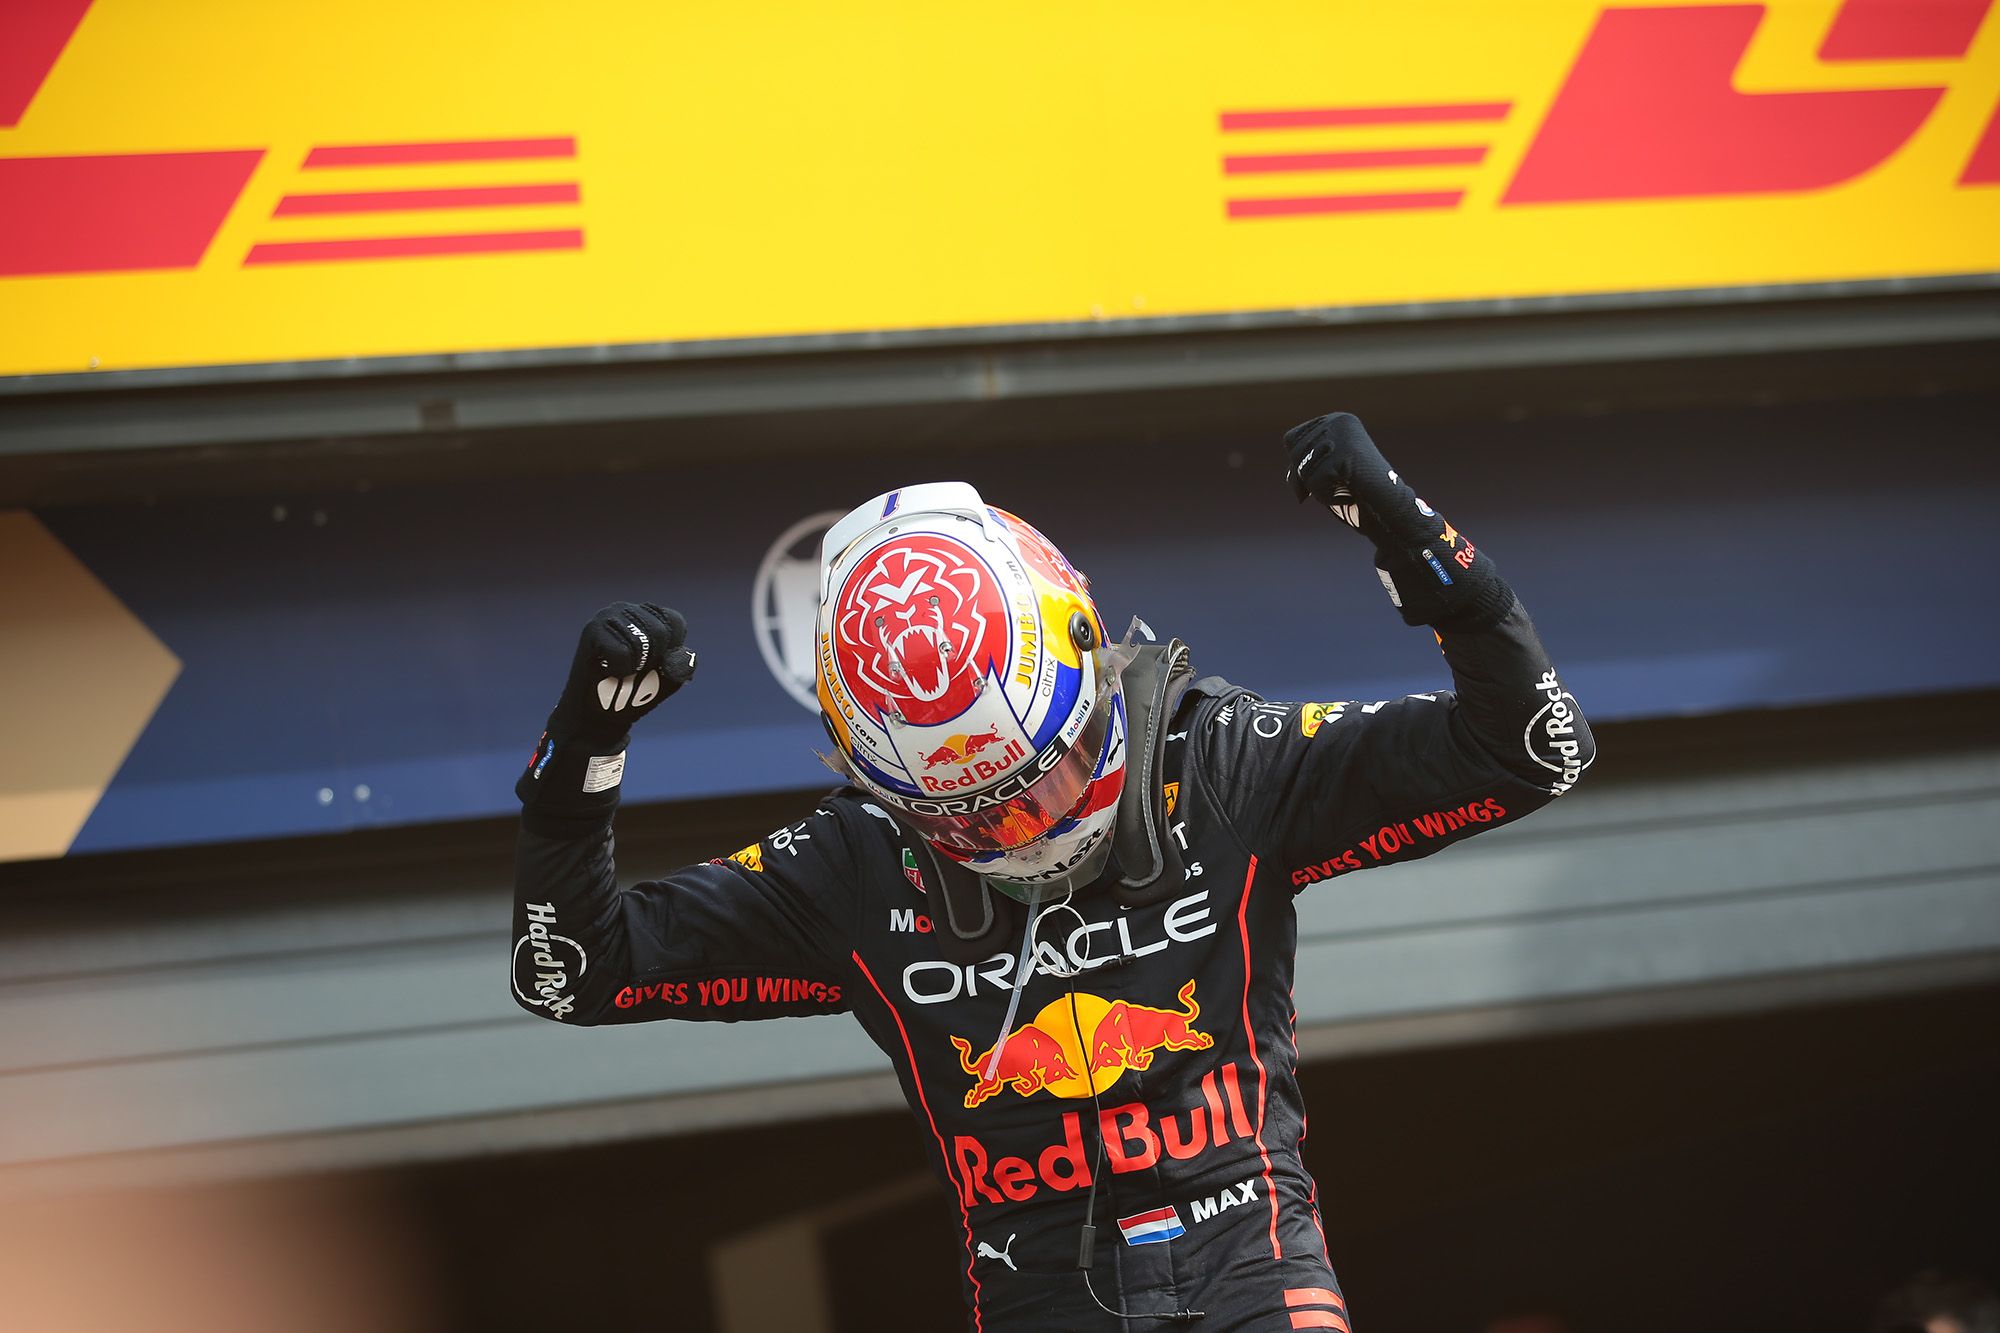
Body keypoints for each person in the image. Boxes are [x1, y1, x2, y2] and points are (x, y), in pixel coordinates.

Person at [510, 413, 1596, 1331]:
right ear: (881, 788)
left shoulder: (1215, 761)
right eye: (974, 814)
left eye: (1048, 776)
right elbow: (571, 971)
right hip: (1040, 1296)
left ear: (1088, 654)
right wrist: (580, 759)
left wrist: (1416, 539)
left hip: (1249, 1267)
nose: (1027, 831)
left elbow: (1536, 748)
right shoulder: (852, 867)